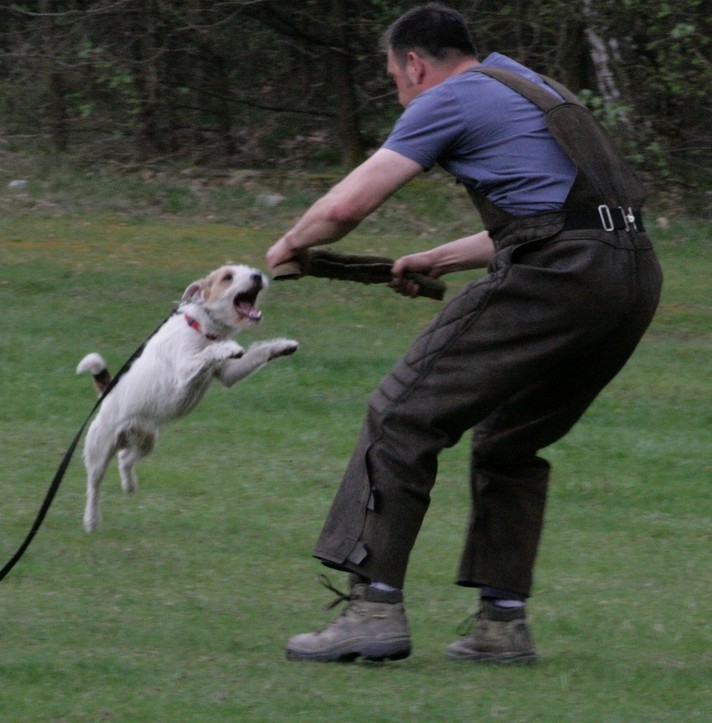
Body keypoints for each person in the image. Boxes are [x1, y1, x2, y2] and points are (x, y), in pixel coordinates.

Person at [266, 3, 662, 665]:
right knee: (511, 438)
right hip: (632, 278)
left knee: (400, 414)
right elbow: (567, 211)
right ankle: (502, 624)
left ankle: (373, 606)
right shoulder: (539, 90)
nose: (398, 89)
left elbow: (345, 206)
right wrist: (439, 257)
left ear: (415, 64)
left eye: (394, 74)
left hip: (559, 273)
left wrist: (287, 245)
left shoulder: (447, 97)